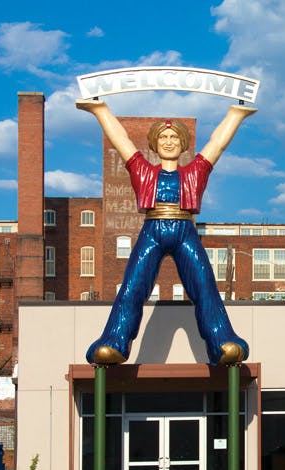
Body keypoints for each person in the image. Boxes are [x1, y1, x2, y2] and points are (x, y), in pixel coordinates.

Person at [76, 98, 256, 366]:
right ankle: (113, 341)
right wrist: (100, 111)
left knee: (205, 287)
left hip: (185, 229)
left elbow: (217, 144)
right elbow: (121, 141)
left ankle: (222, 342)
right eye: (163, 137)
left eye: (174, 137)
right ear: (154, 143)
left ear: (183, 143)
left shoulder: (195, 172)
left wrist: (236, 114)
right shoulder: (143, 171)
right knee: (133, 287)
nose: (169, 141)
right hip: (153, 229)